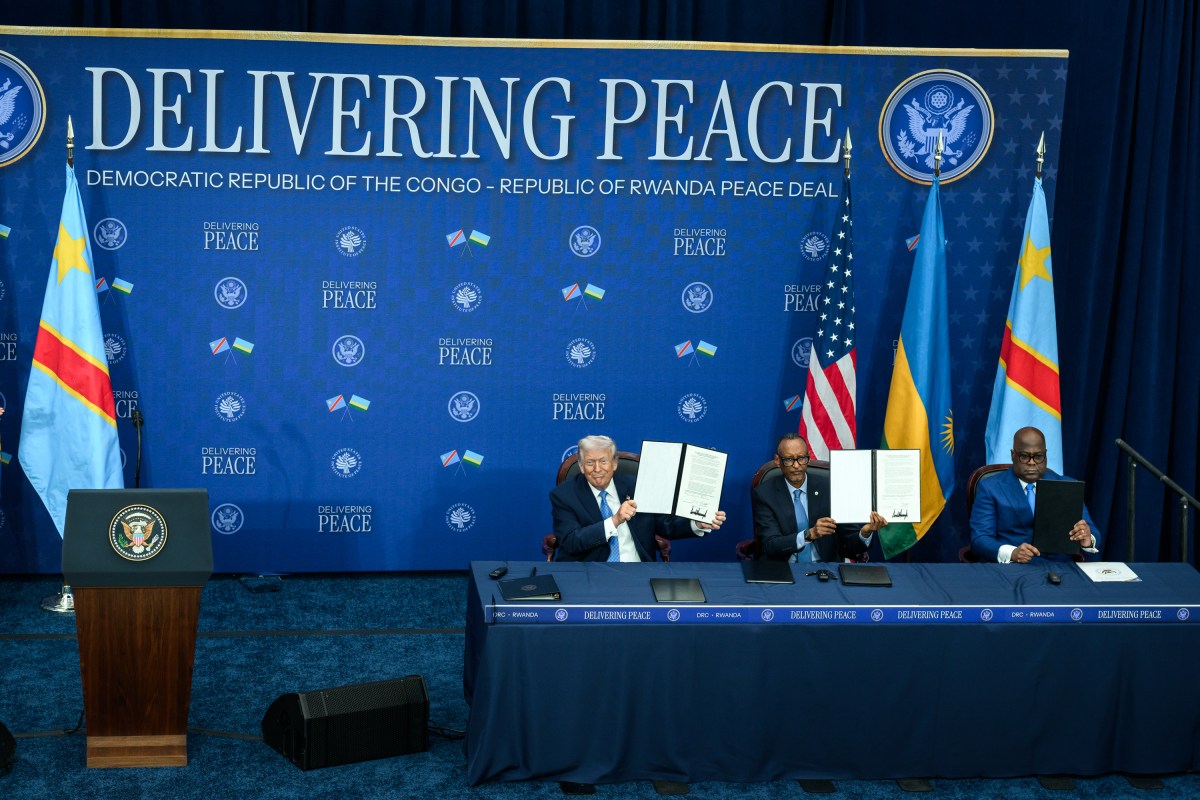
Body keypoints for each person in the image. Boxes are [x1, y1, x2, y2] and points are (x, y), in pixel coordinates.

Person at [550, 434, 726, 562]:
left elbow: (665, 524)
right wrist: (614, 520)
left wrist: (697, 523)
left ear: (615, 464)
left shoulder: (637, 487)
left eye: (603, 461)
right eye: (590, 462)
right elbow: (571, 542)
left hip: (638, 571)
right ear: (581, 466)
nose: (597, 469)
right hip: (588, 573)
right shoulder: (564, 495)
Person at [970, 426, 1100, 563]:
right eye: (1024, 456)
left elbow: (1093, 532)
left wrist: (1087, 538)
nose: (1031, 463)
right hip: (1011, 568)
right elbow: (980, 539)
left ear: (1045, 455)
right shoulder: (990, 488)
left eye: (1038, 456)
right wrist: (1012, 553)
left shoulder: (1068, 486)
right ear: (1013, 455)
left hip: (1059, 568)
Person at [753, 433, 887, 562]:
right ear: (777, 460)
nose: (796, 465)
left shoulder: (831, 487)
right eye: (788, 459)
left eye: (801, 458)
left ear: (809, 458)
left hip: (826, 568)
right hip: (785, 569)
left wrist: (865, 533)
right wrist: (808, 534)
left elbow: (851, 543)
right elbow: (770, 545)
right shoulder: (765, 494)